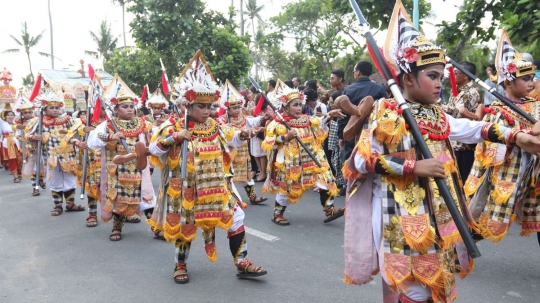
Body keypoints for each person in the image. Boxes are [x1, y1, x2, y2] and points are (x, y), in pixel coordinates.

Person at [342, 4, 540, 302]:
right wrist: (413, 167)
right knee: (411, 288)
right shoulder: (388, 112)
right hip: (400, 214)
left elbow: (469, 128)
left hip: (440, 213)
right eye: (432, 76)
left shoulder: (434, 113)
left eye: (441, 77)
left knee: (435, 285)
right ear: (407, 79)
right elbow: (362, 160)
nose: (439, 83)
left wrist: (516, 135)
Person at [147, 50, 266, 284]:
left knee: (237, 217)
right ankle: (180, 265)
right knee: (186, 225)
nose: (206, 110)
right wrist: (175, 138)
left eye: (209, 106)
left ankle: (242, 262)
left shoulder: (216, 124)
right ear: (187, 106)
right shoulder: (172, 126)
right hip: (187, 188)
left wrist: (244, 133)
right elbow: (154, 150)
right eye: (201, 106)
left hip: (217, 187)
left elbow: (233, 137)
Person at [465, 28, 540, 243]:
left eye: (532, 78)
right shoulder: (497, 110)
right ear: (507, 82)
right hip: (508, 172)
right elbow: (492, 143)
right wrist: (527, 135)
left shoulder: (536, 106)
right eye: (525, 78)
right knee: (488, 216)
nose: (531, 83)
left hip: (534, 173)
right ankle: (460, 247)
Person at [262, 79, 345, 225]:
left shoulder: (306, 119)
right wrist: (286, 137)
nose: (299, 108)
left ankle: (329, 209)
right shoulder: (277, 123)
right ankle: (277, 213)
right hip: (290, 160)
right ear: (285, 107)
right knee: (288, 187)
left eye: (300, 104)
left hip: (310, 157)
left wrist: (331, 115)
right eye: (295, 105)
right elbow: (269, 142)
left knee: (324, 177)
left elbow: (320, 122)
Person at [87, 83, 155, 241]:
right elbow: (92, 142)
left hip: (139, 165)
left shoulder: (142, 123)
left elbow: (150, 141)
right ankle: (117, 227)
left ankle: (155, 226)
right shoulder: (108, 124)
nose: (130, 109)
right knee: (118, 198)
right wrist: (111, 137)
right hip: (117, 167)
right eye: (125, 106)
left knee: (146, 195)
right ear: (116, 109)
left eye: (132, 106)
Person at [26, 89, 85, 215]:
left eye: (57, 107)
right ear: (44, 108)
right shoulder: (39, 121)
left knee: (70, 179)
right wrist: (33, 138)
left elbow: (75, 133)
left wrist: (77, 140)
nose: (55, 110)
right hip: (51, 156)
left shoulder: (68, 120)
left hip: (68, 154)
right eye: (51, 107)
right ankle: (58, 206)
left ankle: (70, 204)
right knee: (55, 181)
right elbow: (27, 136)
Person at [216, 80, 268, 205]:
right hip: (229, 153)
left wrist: (262, 118)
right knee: (228, 176)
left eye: (239, 107)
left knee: (247, 176)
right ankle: (229, 198)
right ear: (227, 109)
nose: (238, 110)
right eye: (234, 108)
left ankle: (253, 197)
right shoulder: (222, 121)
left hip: (243, 153)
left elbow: (252, 122)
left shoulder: (242, 118)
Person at [338, 61, 387, 164]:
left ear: (358, 73)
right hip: (374, 134)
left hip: (353, 133)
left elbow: (342, 115)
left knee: (351, 164)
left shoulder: (349, 90)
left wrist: (341, 136)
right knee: (372, 163)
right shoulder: (379, 89)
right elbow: (386, 111)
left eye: (354, 72)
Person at [441, 61, 484, 181]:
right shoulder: (458, 90)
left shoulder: (468, 92)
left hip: (464, 143)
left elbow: (455, 113)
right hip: (457, 142)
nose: (452, 76)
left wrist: (437, 104)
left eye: (455, 73)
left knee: (463, 179)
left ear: (465, 76)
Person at [0, 104, 23, 182]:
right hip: (7, 143)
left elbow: (18, 133)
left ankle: (19, 173)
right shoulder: (2, 124)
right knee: (11, 159)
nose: (10, 116)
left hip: (16, 142)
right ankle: (15, 177)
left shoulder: (15, 123)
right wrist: (6, 105)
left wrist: (19, 137)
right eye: (8, 115)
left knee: (20, 158)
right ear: (5, 117)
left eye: (11, 115)